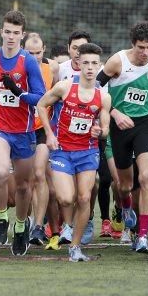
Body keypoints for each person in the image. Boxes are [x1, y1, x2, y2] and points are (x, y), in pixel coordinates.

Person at [0, 10, 46, 256]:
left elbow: (41, 97)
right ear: (1, 32)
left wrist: (18, 92)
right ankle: (3, 217)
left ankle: (20, 224)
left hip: (24, 131)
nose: (11, 37)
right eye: (8, 32)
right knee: (2, 171)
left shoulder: (28, 62)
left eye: (16, 33)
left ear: (22, 35)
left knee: (24, 186)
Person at [97, 21, 148, 254]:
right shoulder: (117, 62)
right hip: (120, 126)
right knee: (125, 185)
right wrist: (114, 112)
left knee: (147, 177)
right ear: (132, 44)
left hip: (144, 125)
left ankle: (142, 236)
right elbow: (96, 90)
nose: (145, 52)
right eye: (141, 47)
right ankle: (127, 209)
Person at [37, 43, 111, 262]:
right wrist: (50, 135)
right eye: (85, 63)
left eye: (94, 63)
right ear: (78, 64)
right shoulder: (64, 87)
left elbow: (105, 128)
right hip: (62, 151)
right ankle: (67, 225)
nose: (89, 67)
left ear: (99, 66)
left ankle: (75, 247)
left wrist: (100, 131)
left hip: (87, 152)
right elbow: (41, 105)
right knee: (66, 198)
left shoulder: (103, 97)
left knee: (85, 196)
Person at [24, 32, 59, 246]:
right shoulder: (16, 66)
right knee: (23, 183)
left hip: (41, 130)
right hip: (19, 129)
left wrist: (52, 129)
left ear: (44, 50)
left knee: (39, 174)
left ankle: (38, 227)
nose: (35, 57)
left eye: (38, 52)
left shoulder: (52, 68)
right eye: (30, 53)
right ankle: (24, 222)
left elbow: (57, 96)